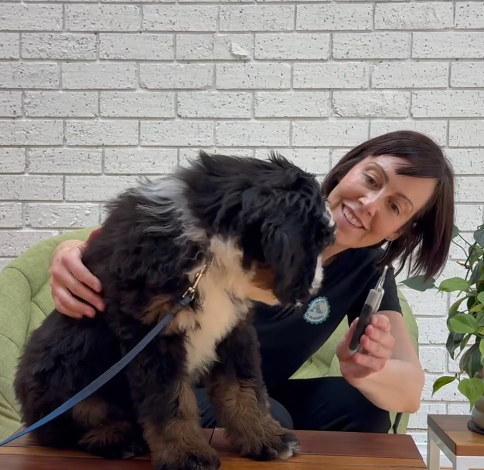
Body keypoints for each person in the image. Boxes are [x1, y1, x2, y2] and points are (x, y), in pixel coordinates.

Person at [46, 130, 455, 434]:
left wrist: (367, 369)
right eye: (371, 179)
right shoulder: (275, 204)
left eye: (395, 206)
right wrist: (74, 249)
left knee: (357, 407)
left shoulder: (369, 271)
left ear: (401, 230)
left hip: (247, 392)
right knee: (268, 417)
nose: (369, 205)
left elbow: (409, 393)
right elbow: (160, 233)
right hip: (165, 388)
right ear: (350, 169)